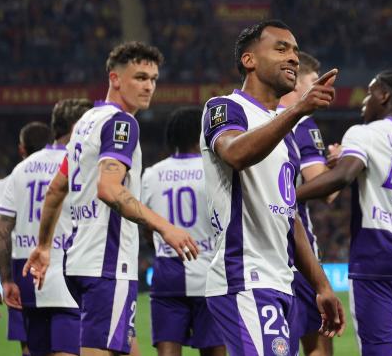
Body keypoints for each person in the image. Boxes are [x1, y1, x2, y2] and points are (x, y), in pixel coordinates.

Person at [24, 42, 199, 356]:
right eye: (140, 77)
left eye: (153, 79)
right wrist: (165, 227)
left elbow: (55, 190)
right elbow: (109, 188)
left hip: (78, 261)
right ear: (115, 79)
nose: (149, 86)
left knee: (126, 348)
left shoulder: (85, 124)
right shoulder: (122, 123)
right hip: (106, 265)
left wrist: (44, 245)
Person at [200, 20, 345, 356]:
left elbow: (288, 215)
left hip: (281, 280)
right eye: (281, 48)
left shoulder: (287, 137)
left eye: (295, 51)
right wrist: (298, 110)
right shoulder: (224, 108)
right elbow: (235, 154)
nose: (293, 58)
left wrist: (321, 285)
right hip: (244, 276)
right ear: (249, 60)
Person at [296, 70, 392, 356]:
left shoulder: (364, 133)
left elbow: (343, 177)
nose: (363, 102)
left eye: (370, 93)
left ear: (384, 95)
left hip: (377, 259)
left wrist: (289, 197)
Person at [0, 99, 93, 356]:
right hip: (68, 272)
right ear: (76, 128)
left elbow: (3, 229)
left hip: (27, 276)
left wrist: (6, 279)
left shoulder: (21, 169)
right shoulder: (80, 164)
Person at [141, 107, 225, 356]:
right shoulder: (215, 170)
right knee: (215, 351)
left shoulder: (152, 174)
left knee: (168, 352)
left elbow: (147, 225)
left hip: (168, 274)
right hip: (211, 273)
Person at [279, 52, 340, 356]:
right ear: (295, 82)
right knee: (318, 341)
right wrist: (340, 165)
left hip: (258, 252)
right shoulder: (303, 123)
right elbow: (324, 188)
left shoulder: (259, 117)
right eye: (313, 81)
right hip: (298, 253)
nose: (320, 87)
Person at [0, 121, 51, 356]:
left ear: (22, 149)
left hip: (21, 268)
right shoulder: (67, 176)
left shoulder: (4, 185)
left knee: (29, 347)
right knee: (67, 340)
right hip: (59, 262)